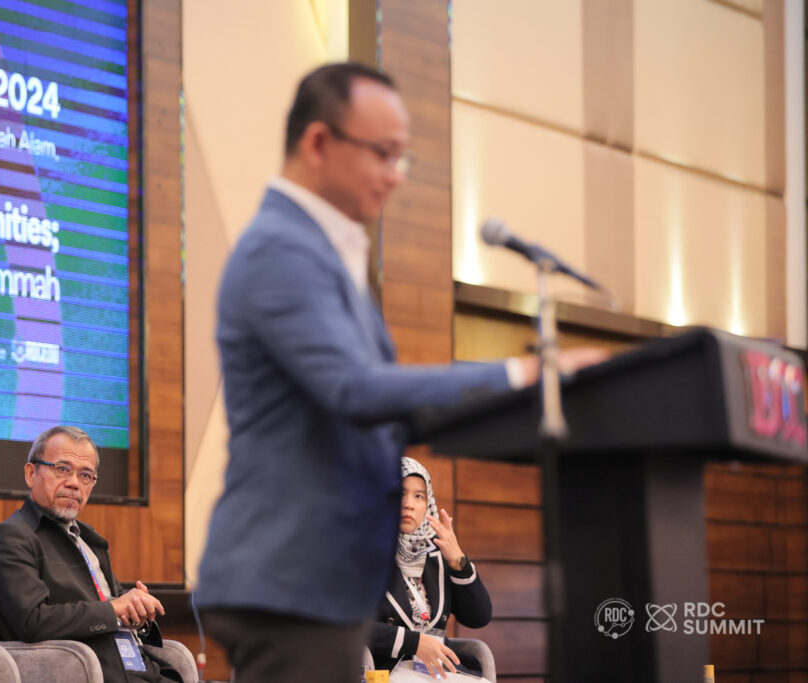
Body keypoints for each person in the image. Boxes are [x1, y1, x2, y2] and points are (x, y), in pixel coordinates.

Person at [195, 61, 605, 683]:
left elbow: (378, 409)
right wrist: (518, 379)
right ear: (319, 142)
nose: (396, 176)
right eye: (383, 153)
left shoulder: (327, 251)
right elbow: (356, 392)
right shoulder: (282, 249)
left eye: (402, 158)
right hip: (290, 572)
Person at [0, 425, 181, 683]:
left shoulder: (89, 540)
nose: (74, 483)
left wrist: (136, 612)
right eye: (62, 469)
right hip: (93, 673)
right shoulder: (12, 536)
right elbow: (32, 621)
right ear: (31, 473)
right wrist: (113, 610)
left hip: (142, 670)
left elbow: (112, 606)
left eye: (85, 475)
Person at [370, 457, 493, 682]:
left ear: (428, 504)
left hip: (436, 672)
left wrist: (458, 561)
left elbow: (479, 617)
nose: (409, 504)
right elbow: (349, 627)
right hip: (386, 671)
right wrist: (414, 642)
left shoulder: (435, 556)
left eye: (419, 496)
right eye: (400, 493)